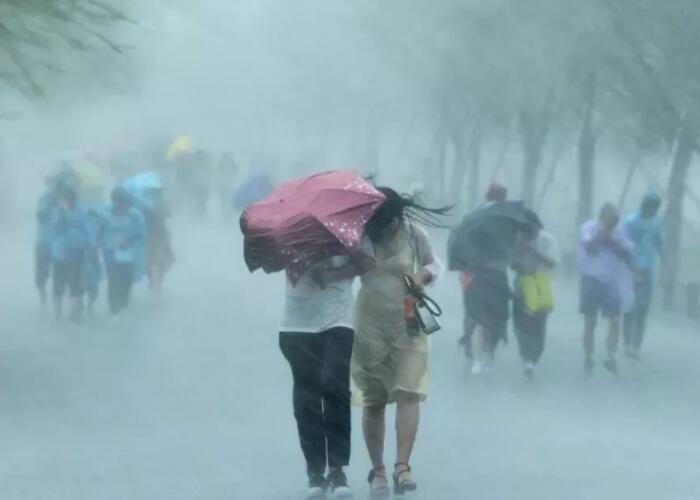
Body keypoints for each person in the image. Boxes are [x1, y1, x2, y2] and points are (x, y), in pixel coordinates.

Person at [352, 187, 448, 498]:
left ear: (398, 216)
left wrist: (423, 277)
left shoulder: (414, 234)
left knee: (409, 392)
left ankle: (402, 466)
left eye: (388, 222)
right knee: (374, 398)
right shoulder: (360, 237)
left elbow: (436, 265)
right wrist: (354, 265)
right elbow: (344, 269)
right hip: (370, 323)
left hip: (408, 321)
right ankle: (377, 470)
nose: (384, 228)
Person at [279, 255, 373, 499]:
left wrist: (333, 272)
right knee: (306, 396)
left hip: (337, 316)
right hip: (297, 322)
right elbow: (273, 263)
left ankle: (337, 468)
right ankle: (315, 471)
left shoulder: (348, 224)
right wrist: (302, 261)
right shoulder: (290, 228)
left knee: (335, 386)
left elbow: (366, 262)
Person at [578, 203, 634, 376]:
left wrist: (613, 240)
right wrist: (603, 234)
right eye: (612, 219)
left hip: (611, 281)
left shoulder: (620, 231)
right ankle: (588, 356)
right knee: (590, 322)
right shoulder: (588, 227)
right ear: (602, 216)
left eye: (617, 220)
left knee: (616, 320)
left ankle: (610, 356)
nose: (615, 223)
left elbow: (628, 252)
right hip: (590, 278)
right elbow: (588, 247)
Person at [512, 210, 559, 380]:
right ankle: (526, 357)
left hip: (541, 287)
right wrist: (520, 256)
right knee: (520, 324)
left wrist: (534, 253)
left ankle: (533, 358)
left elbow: (553, 263)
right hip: (521, 287)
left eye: (530, 229)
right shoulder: (517, 240)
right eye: (524, 230)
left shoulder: (547, 240)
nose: (527, 233)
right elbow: (512, 263)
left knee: (538, 326)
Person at [623, 192, 663, 360]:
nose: (654, 211)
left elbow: (658, 241)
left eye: (656, 208)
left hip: (647, 269)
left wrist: (664, 257)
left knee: (643, 308)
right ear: (645, 206)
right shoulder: (631, 221)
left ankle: (636, 346)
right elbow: (623, 243)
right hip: (630, 269)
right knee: (630, 308)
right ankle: (627, 343)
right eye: (652, 208)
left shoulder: (657, 223)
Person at [49, 181, 91, 321]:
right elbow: (54, 228)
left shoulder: (81, 211)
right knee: (58, 281)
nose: (62, 201)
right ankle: (57, 311)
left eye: (65, 198)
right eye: (60, 198)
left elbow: (88, 230)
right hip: (60, 252)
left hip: (76, 251)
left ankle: (76, 310)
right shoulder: (56, 212)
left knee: (75, 280)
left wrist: (89, 245)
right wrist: (64, 214)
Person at [101, 187, 146, 316]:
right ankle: (114, 309)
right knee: (113, 280)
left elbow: (141, 234)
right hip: (111, 254)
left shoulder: (136, 216)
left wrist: (129, 241)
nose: (122, 207)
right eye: (119, 203)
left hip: (129, 255)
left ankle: (124, 306)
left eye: (125, 204)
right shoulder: (105, 214)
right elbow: (99, 232)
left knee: (127, 281)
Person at [36, 177, 58, 306]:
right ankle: (42, 292)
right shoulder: (44, 199)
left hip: (60, 245)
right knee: (41, 274)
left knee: (59, 273)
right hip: (43, 242)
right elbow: (41, 215)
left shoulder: (68, 201)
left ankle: (57, 298)